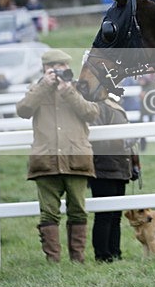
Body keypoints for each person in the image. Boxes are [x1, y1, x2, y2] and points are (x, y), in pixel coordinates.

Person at [16, 49, 99, 263]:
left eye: (63, 66)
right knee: (49, 213)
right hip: (46, 161)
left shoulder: (79, 88)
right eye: (55, 67)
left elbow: (92, 113)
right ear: (45, 69)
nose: (61, 71)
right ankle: (53, 261)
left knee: (78, 211)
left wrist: (68, 91)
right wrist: (44, 85)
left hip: (76, 158)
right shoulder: (36, 89)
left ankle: (77, 259)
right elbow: (23, 110)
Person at [90, 95, 140, 263]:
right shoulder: (98, 106)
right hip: (105, 167)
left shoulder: (115, 105)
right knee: (105, 215)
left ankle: (115, 253)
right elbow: (96, 140)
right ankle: (103, 255)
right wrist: (122, 142)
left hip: (119, 165)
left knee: (116, 215)